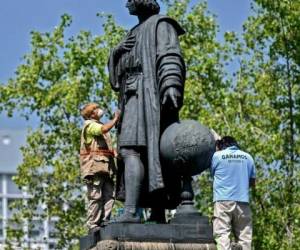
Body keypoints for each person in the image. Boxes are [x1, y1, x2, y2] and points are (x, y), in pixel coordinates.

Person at [108, 0, 185, 222]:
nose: (127, 3)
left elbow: (170, 55)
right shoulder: (132, 32)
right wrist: (116, 53)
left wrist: (170, 84)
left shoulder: (162, 24)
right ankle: (154, 213)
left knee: (133, 150)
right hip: (131, 94)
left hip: (147, 94)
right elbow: (117, 77)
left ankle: (134, 212)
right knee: (143, 154)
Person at [79, 103, 120, 232]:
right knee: (95, 197)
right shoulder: (90, 126)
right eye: (96, 109)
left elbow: (106, 147)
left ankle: (105, 221)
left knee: (109, 195)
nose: (99, 110)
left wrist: (115, 154)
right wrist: (115, 119)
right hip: (94, 169)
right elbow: (103, 130)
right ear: (91, 114)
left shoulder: (99, 125)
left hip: (106, 169)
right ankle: (93, 225)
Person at [211, 136, 256, 250]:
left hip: (223, 201)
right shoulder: (248, 157)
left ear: (221, 146)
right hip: (243, 202)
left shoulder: (217, 156)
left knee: (222, 234)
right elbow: (252, 182)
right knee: (245, 238)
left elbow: (213, 173)